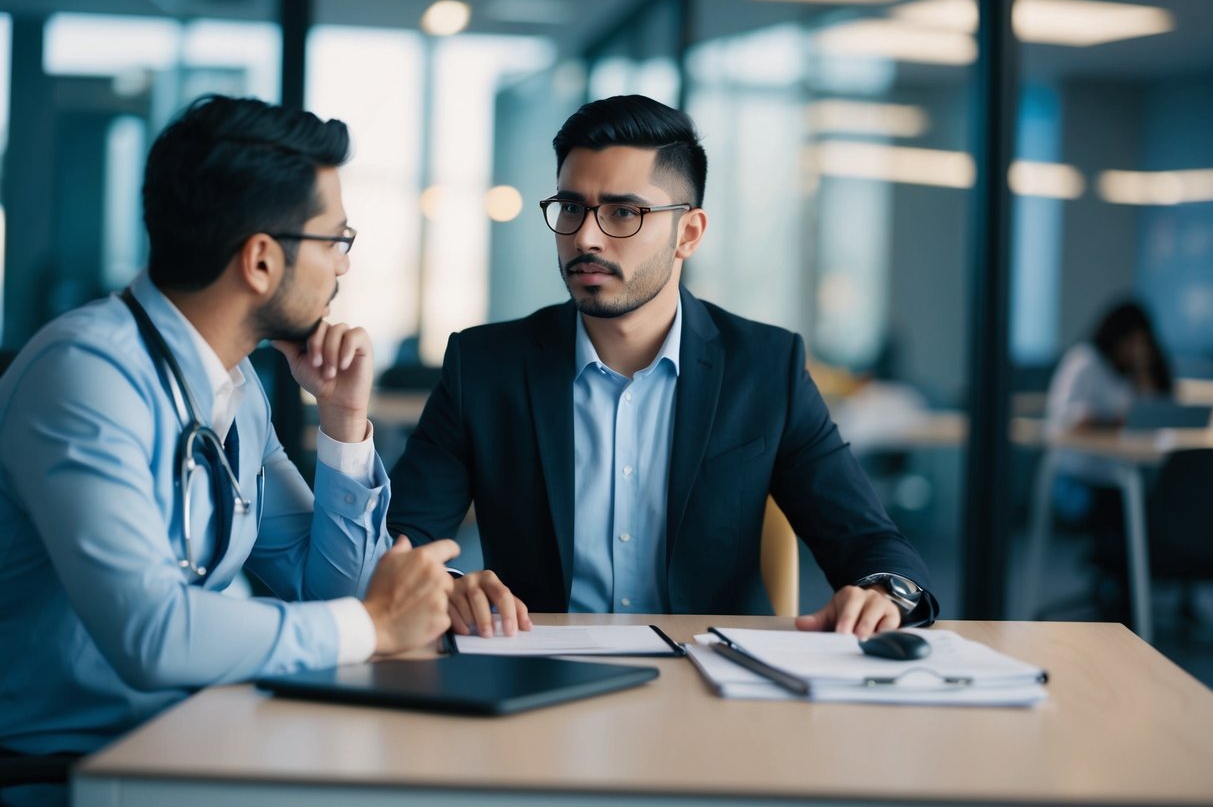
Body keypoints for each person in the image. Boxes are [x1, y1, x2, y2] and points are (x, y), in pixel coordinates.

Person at [0, 96, 459, 797]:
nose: (342, 265)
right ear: (262, 261)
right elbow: (152, 635)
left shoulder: (233, 384)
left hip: (206, 739)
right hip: (79, 772)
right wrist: (372, 625)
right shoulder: (85, 376)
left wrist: (341, 420)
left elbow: (325, 589)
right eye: (335, 240)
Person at [387, 94, 937, 637]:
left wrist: (885, 593)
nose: (585, 237)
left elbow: (868, 541)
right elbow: (405, 540)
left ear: (689, 234)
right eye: (572, 207)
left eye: (623, 212)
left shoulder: (765, 368)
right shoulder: (485, 366)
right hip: (536, 675)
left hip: (709, 682)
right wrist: (448, 583)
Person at [1044, 299, 1173, 618]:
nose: (1135, 349)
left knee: (1163, 506)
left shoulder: (1138, 371)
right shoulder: (1085, 361)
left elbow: (1156, 415)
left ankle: (1128, 600)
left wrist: (1143, 371)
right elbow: (1063, 417)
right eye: (1131, 342)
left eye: (1143, 343)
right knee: (1127, 515)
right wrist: (1109, 420)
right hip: (1082, 476)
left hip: (1128, 474)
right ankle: (1124, 602)